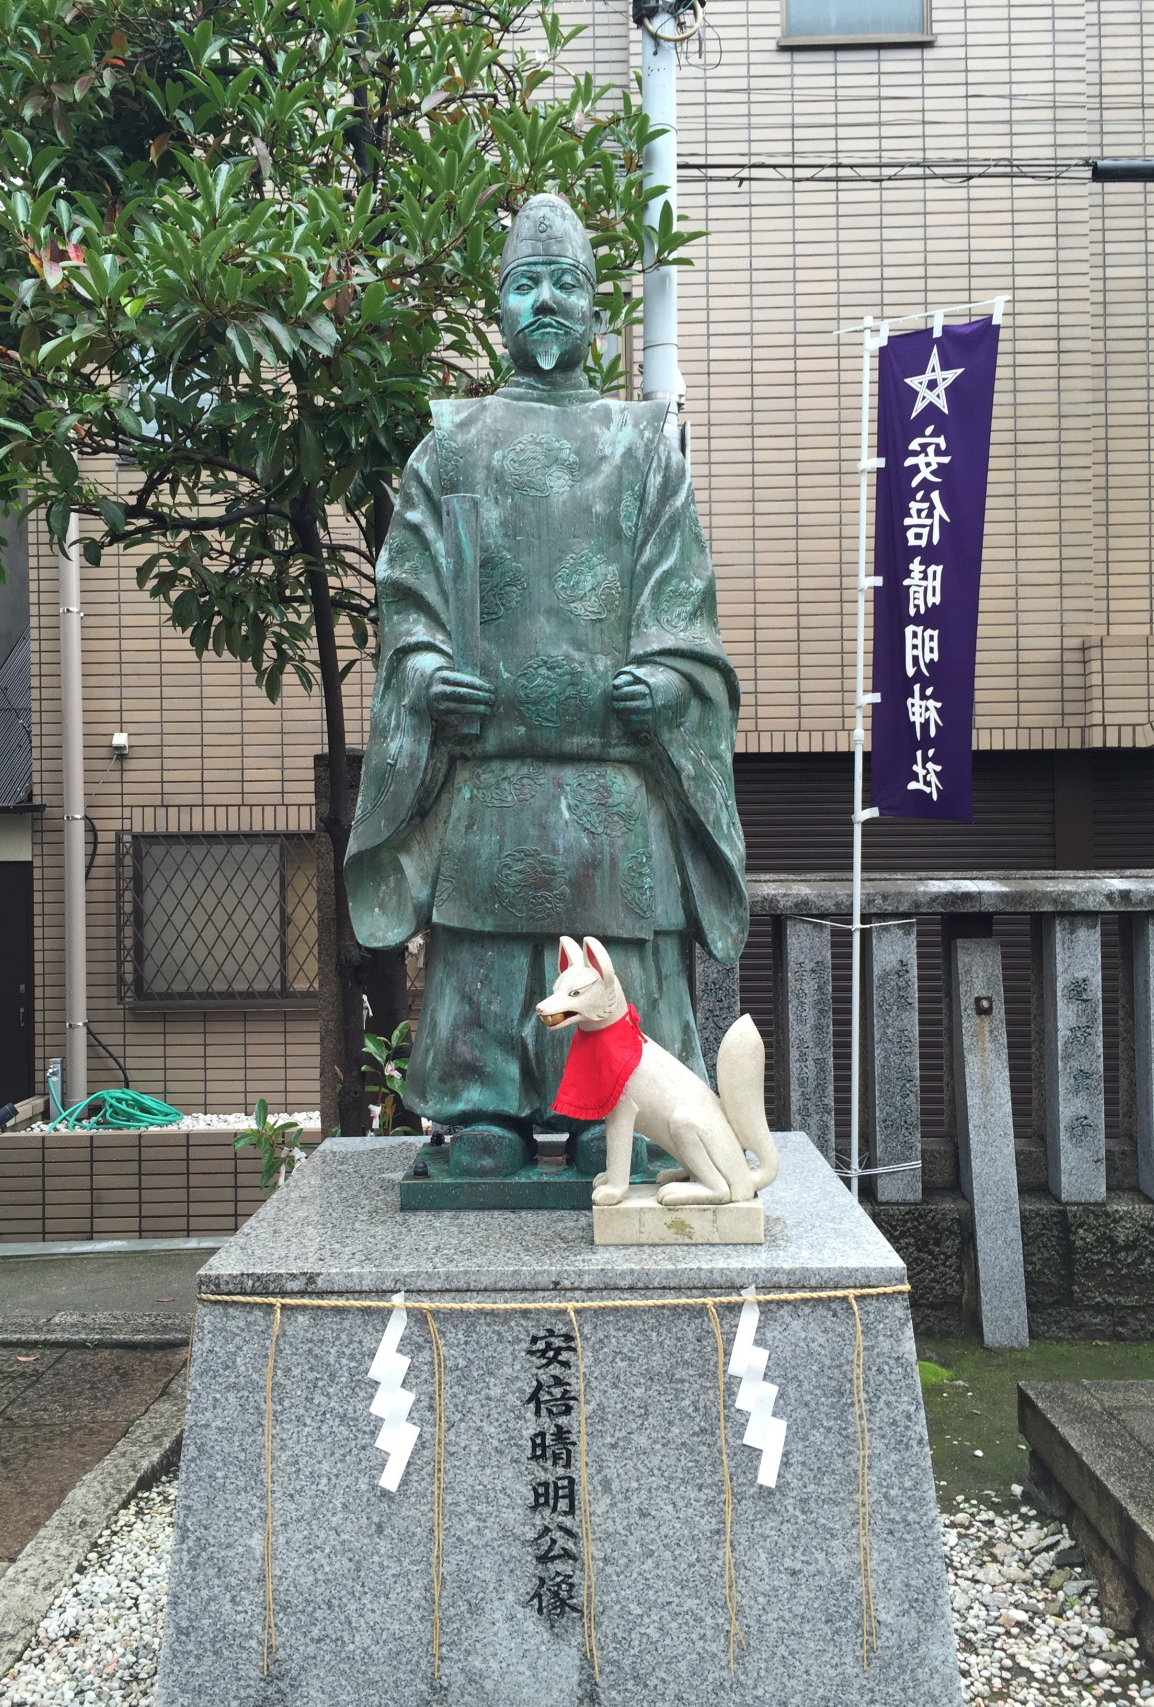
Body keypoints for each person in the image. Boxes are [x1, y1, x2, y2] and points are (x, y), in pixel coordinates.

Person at [344, 194, 747, 1175]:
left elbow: (681, 603)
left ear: (595, 304)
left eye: (564, 282)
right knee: (480, 948)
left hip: (612, 776)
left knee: (615, 946)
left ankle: (614, 1108)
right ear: (497, 310)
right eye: (525, 284)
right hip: (490, 775)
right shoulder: (447, 448)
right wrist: (429, 674)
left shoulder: (647, 448)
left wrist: (661, 678)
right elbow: (408, 599)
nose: (545, 302)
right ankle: (484, 1107)